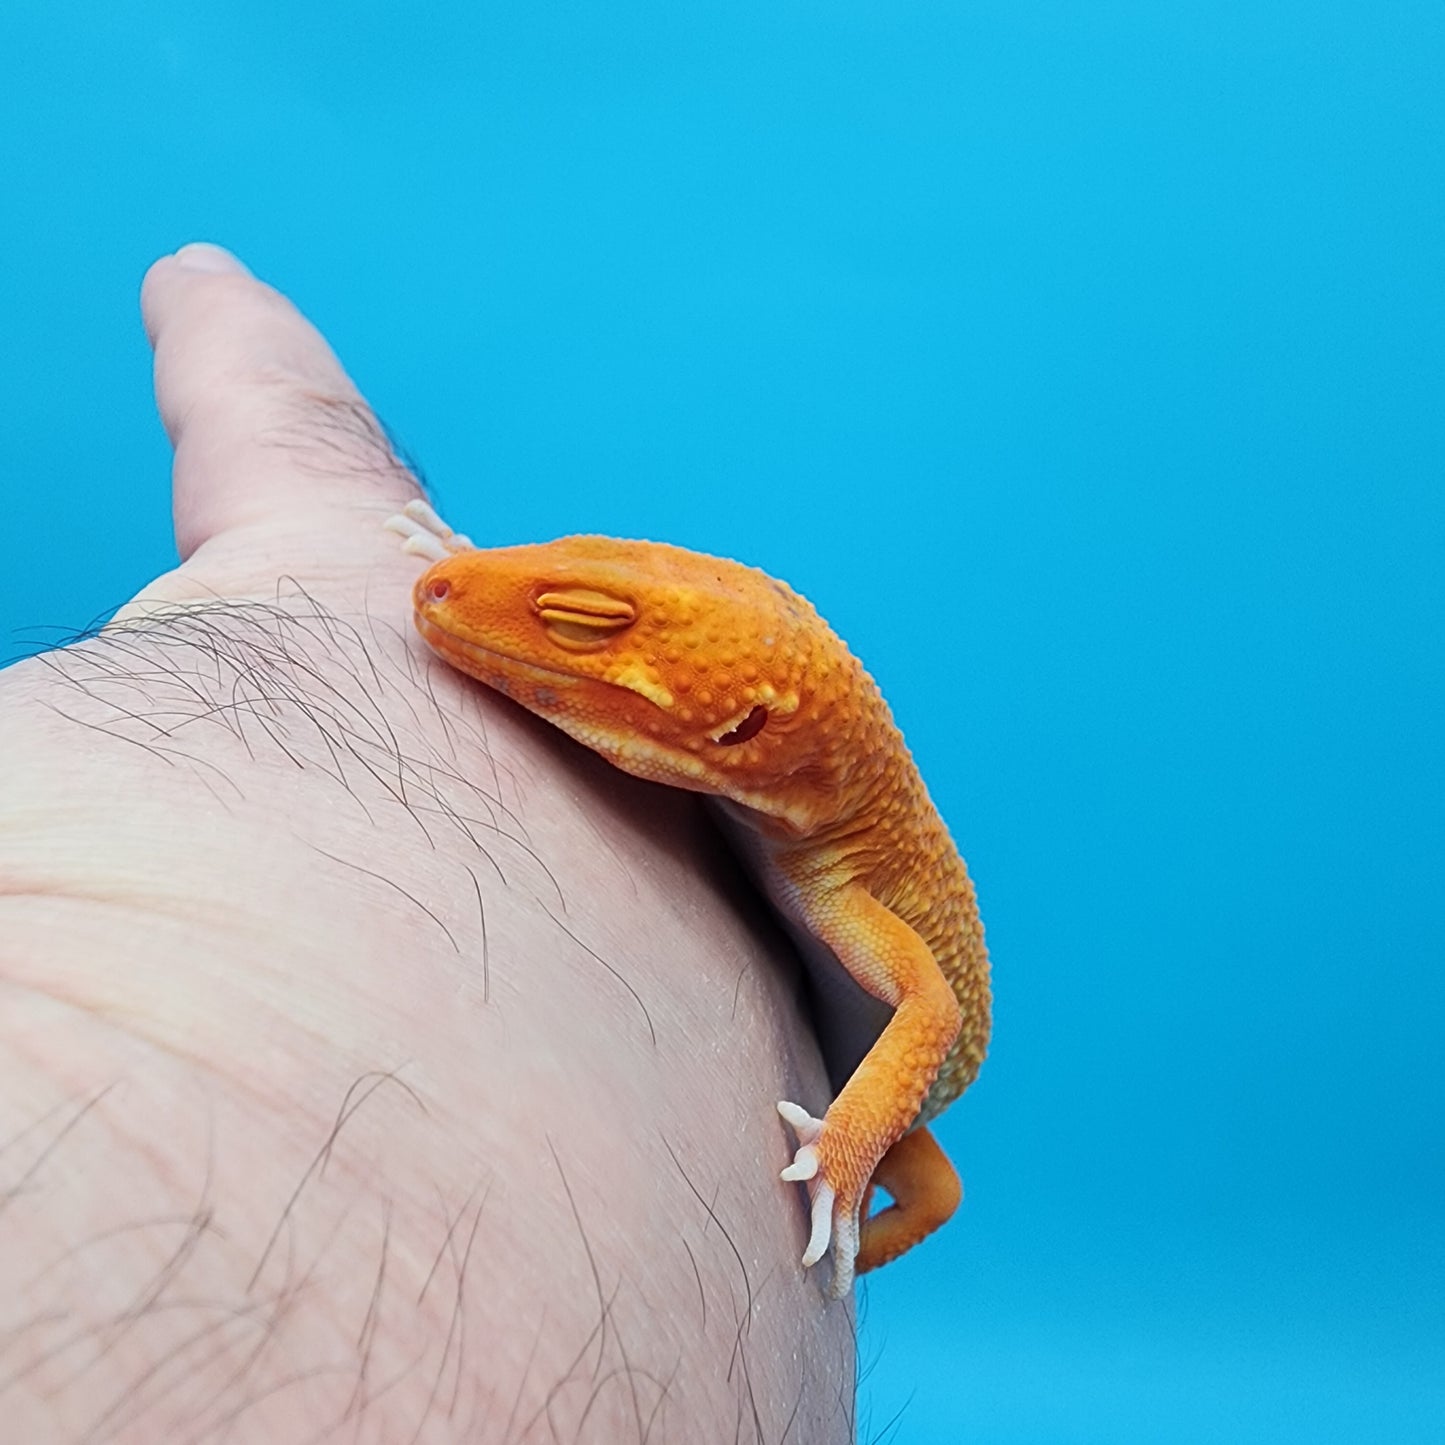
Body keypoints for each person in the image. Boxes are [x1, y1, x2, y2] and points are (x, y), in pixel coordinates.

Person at [0, 245, 855, 1442]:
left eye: (581, 624)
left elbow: (920, 1020)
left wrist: (832, 1173)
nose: (445, 595)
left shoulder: (862, 886)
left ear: (741, 725)